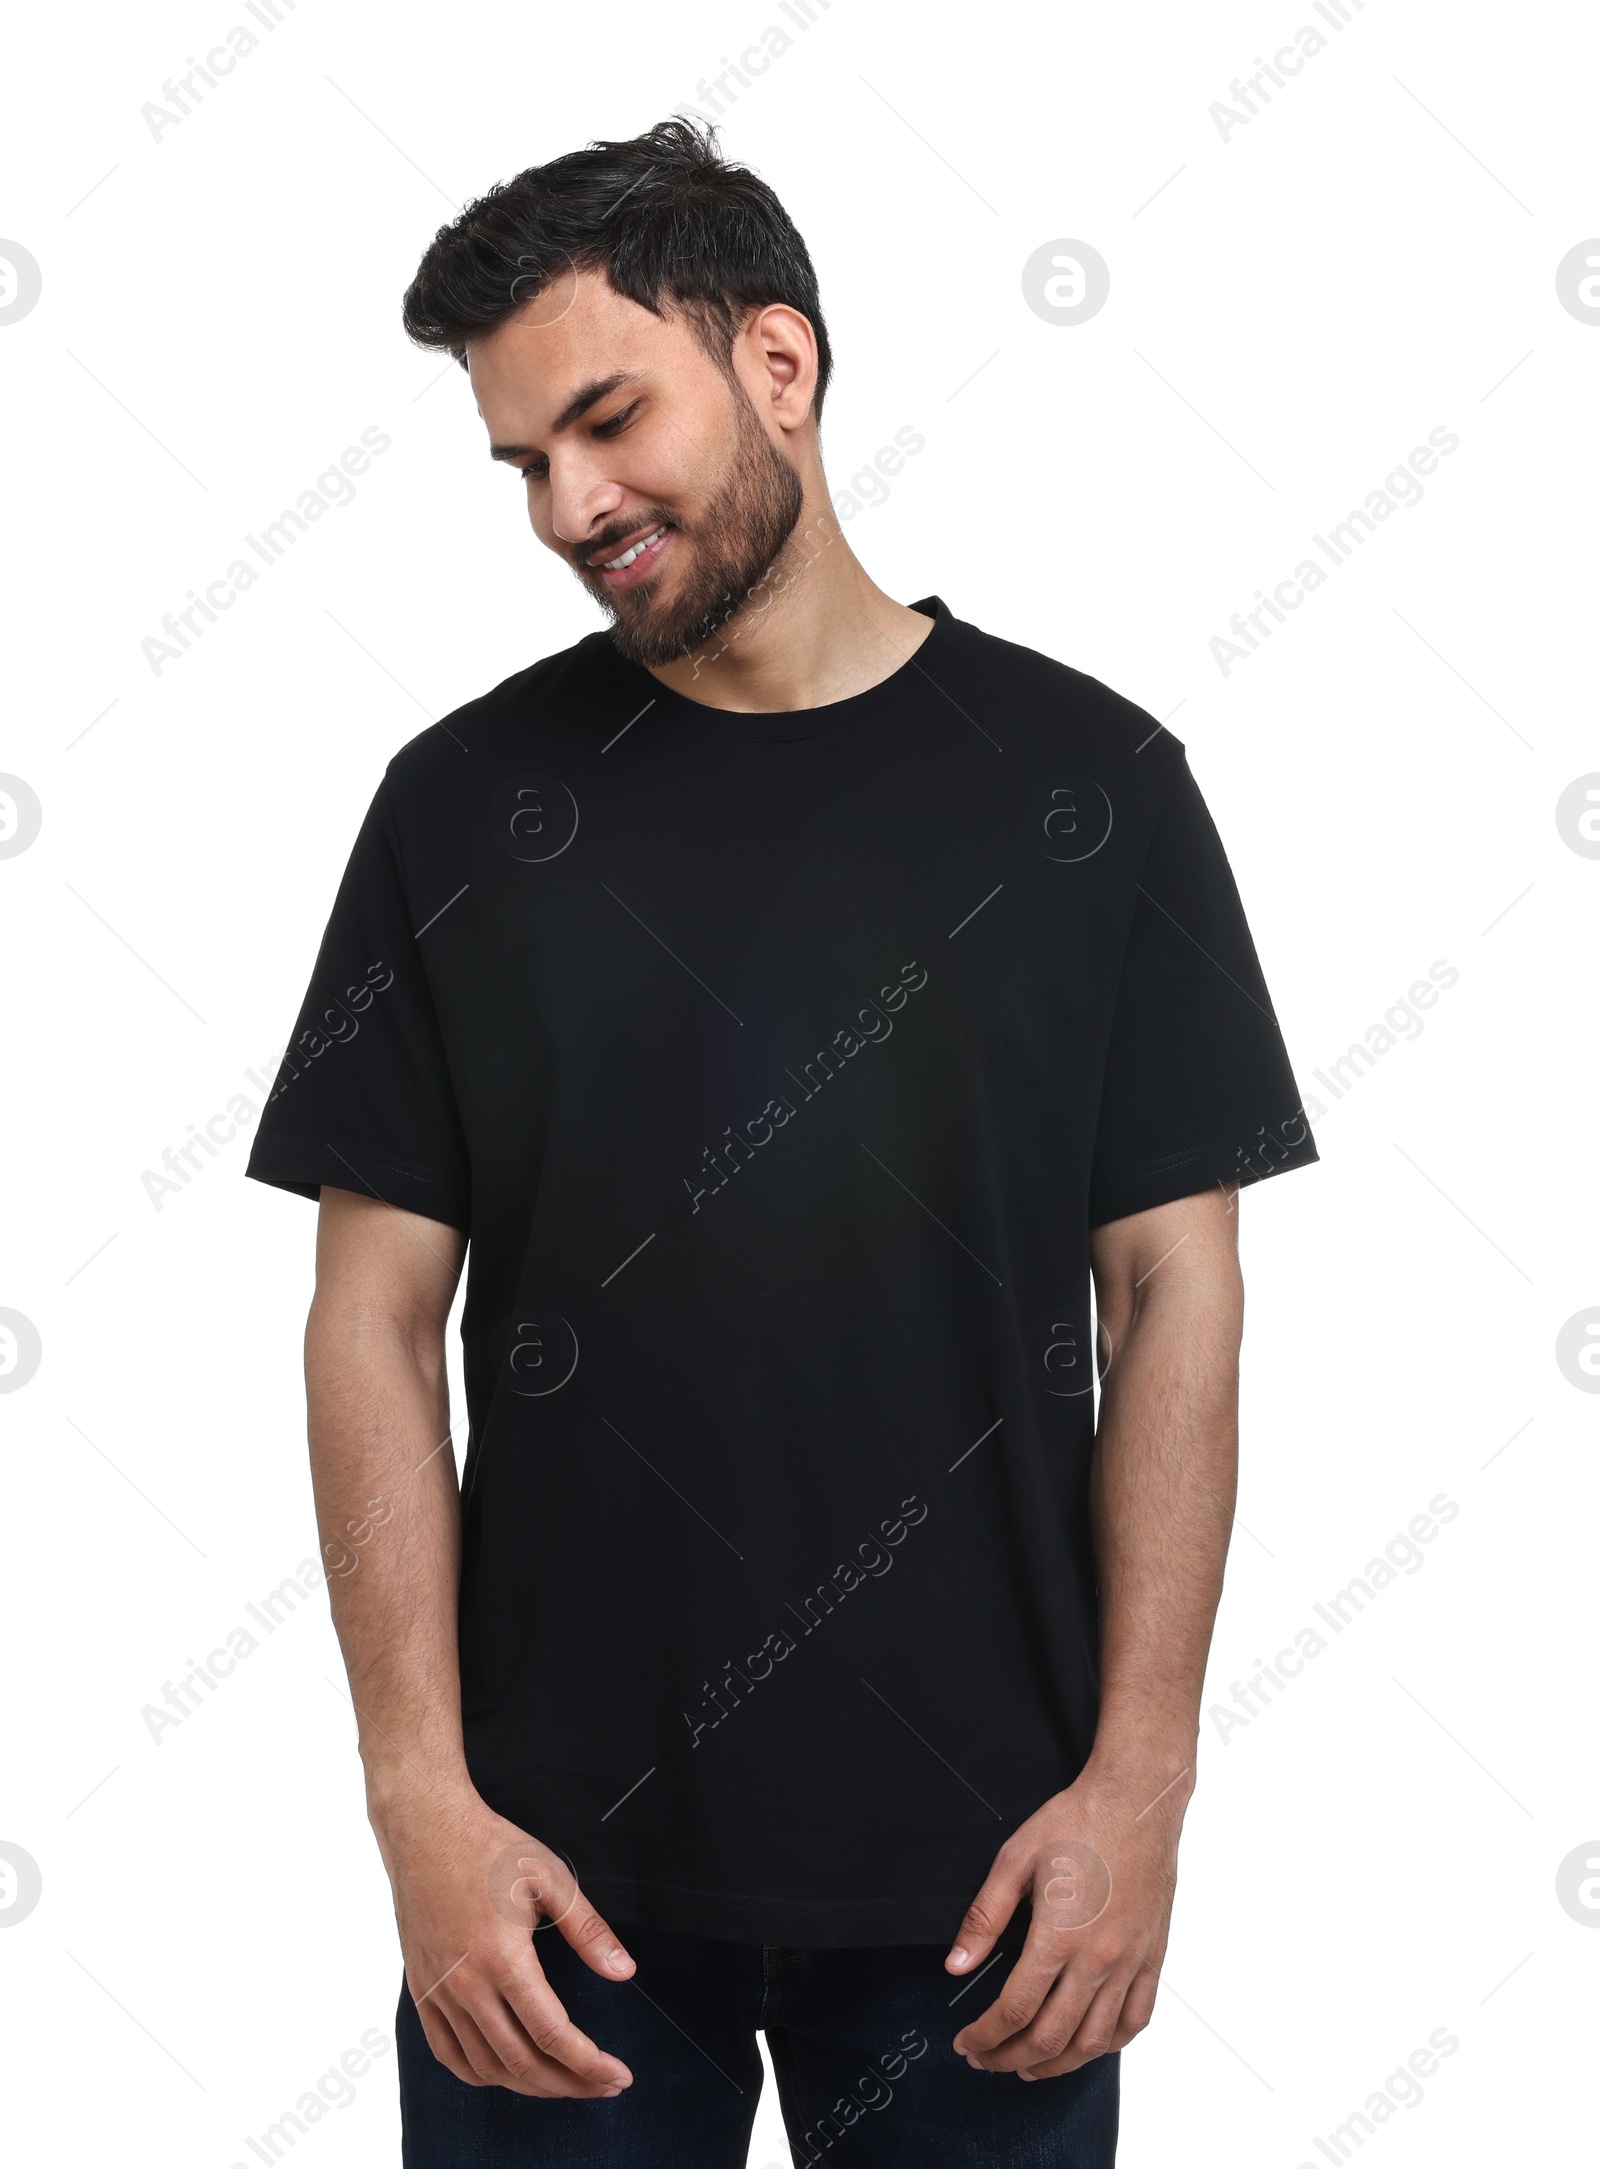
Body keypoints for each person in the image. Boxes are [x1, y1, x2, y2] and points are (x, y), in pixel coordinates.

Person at [245, 117, 1318, 2168]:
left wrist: (1141, 1782)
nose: (569, 503)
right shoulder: (462, 809)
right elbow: (367, 1317)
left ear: (777, 363)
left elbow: (1175, 1284)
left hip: (993, 1882)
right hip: (546, 1895)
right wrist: (417, 1800)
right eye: (520, 462)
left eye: (602, 418)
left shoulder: (1088, 788)